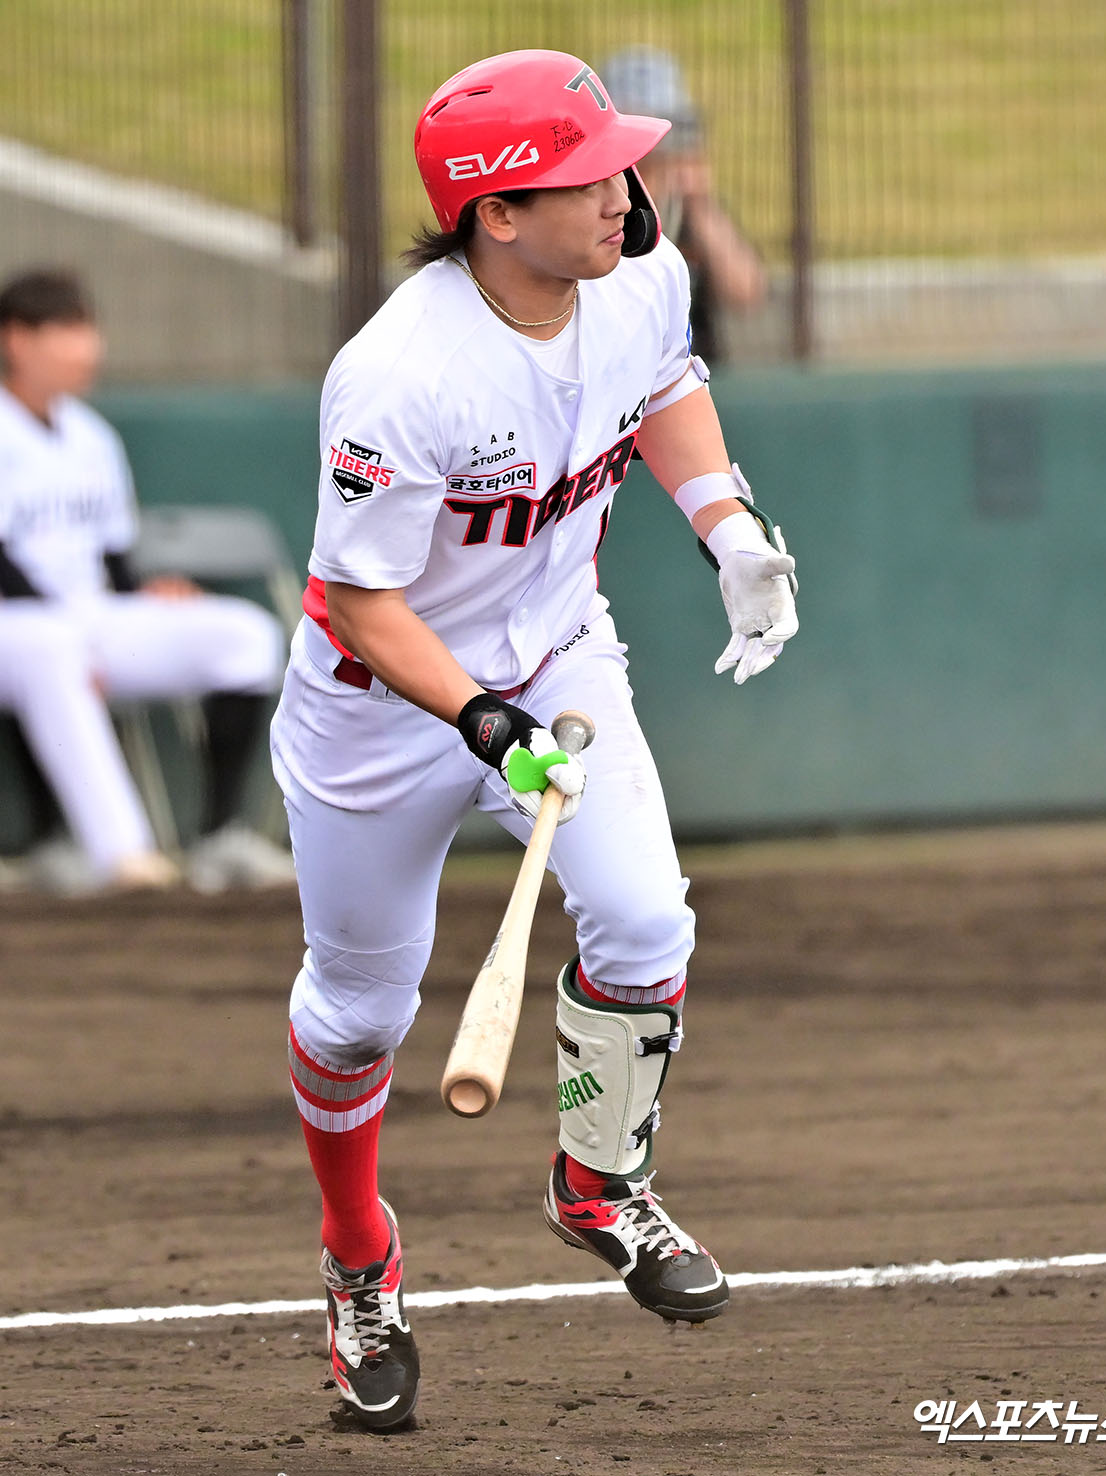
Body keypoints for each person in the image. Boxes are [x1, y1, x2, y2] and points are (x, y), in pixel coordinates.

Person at [270, 49, 798, 1432]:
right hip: (383, 710)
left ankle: (595, 1181)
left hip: (557, 653)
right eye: (589, 175)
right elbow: (361, 602)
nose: (626, 192)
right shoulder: (399, 372)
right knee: (360, 1017)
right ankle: (358, 1257)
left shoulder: (639, 276)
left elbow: (663, 389)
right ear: (496, 211)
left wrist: (726, 523)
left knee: (644, 923)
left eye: (622, 164)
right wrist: (482, 726)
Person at [0, 268, 296, 893]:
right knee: (55, 647)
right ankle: (120, 854)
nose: (88, 347)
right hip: (18, 626)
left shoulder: (90, 434)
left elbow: (110, 555)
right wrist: (82, 627)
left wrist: (142, 595)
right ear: (17, 341)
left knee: (241, 633)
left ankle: (219, 837)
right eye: (66, 328)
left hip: (84, 617)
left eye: (86, 327)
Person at [603, 47, 767, 364]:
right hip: (621, 374)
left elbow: (746, 292)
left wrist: (700, 202)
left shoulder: (688, 203)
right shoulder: (598, 204)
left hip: (692, 373)